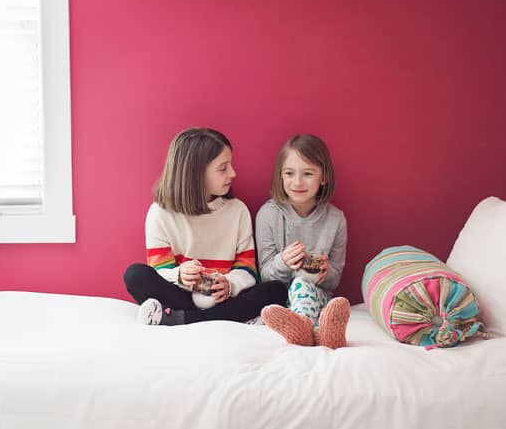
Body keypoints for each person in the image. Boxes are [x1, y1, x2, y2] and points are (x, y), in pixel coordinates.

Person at [124, 127, 287, 325]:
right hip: (181, 295)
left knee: (276, 290)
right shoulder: (160, 213)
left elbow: (248, 270)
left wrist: (230, 285)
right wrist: (180, 276)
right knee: (135, 275)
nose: (233, 173)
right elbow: (159, 270)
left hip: (223, 299)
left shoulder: (237, 211)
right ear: (196, 173)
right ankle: (223, 318)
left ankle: (180, 318)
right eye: (223, 168)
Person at [255, 133, 350, 348]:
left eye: (308, 173)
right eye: (289, 173)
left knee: (303, 284)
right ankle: (316, 333)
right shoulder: (268, 215)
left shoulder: (336, 219)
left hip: (318, 296)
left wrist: (325, 272)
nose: (297, 182)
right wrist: (284, 261)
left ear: (323, 177)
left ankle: (306, 328)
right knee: (292, 287)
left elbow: (334, 281)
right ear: (280, 175)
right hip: (279, 301)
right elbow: (265, 274)